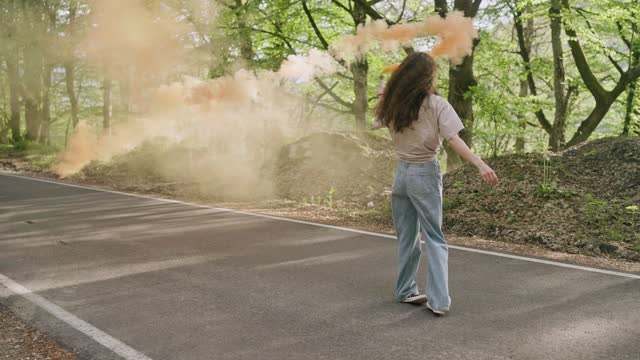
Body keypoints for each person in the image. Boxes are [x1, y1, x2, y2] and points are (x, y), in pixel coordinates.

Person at [374, 52, 498, 315]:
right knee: (434, 237)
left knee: (407, 237)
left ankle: (405, 290)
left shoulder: (393, 104)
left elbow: (377, 121)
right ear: (427, 76)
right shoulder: (436, 104)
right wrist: (480, 164)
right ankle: (439, 301)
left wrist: (383, 93)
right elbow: (453, 139)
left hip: (401, 175)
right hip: (424, 173)